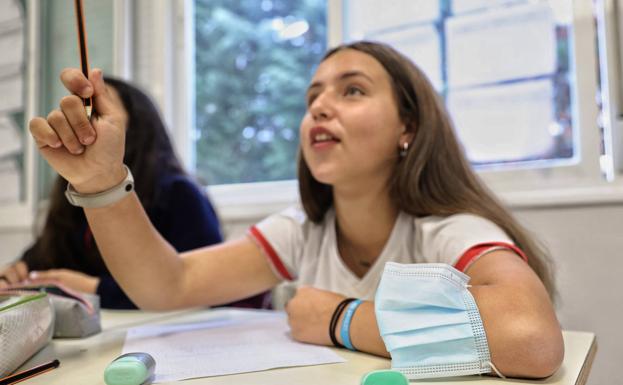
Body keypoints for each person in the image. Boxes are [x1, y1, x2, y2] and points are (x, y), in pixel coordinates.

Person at [27, 41, 563, 378]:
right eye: (312, 99)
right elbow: (169, 285)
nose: (320, 107)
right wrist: (102, 185)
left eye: (352, 91)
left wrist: (338, 319)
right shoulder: (302, 230)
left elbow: (531, 338)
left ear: (409, 129)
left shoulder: (451, 231)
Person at [0, 77, 267, 310]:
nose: (82, 119)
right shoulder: (70, 201)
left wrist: (91, 287)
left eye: (98, 108)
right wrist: (15, 277)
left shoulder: (178, 194)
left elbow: (199, 289)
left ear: (136, 122)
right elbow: (38, 262)